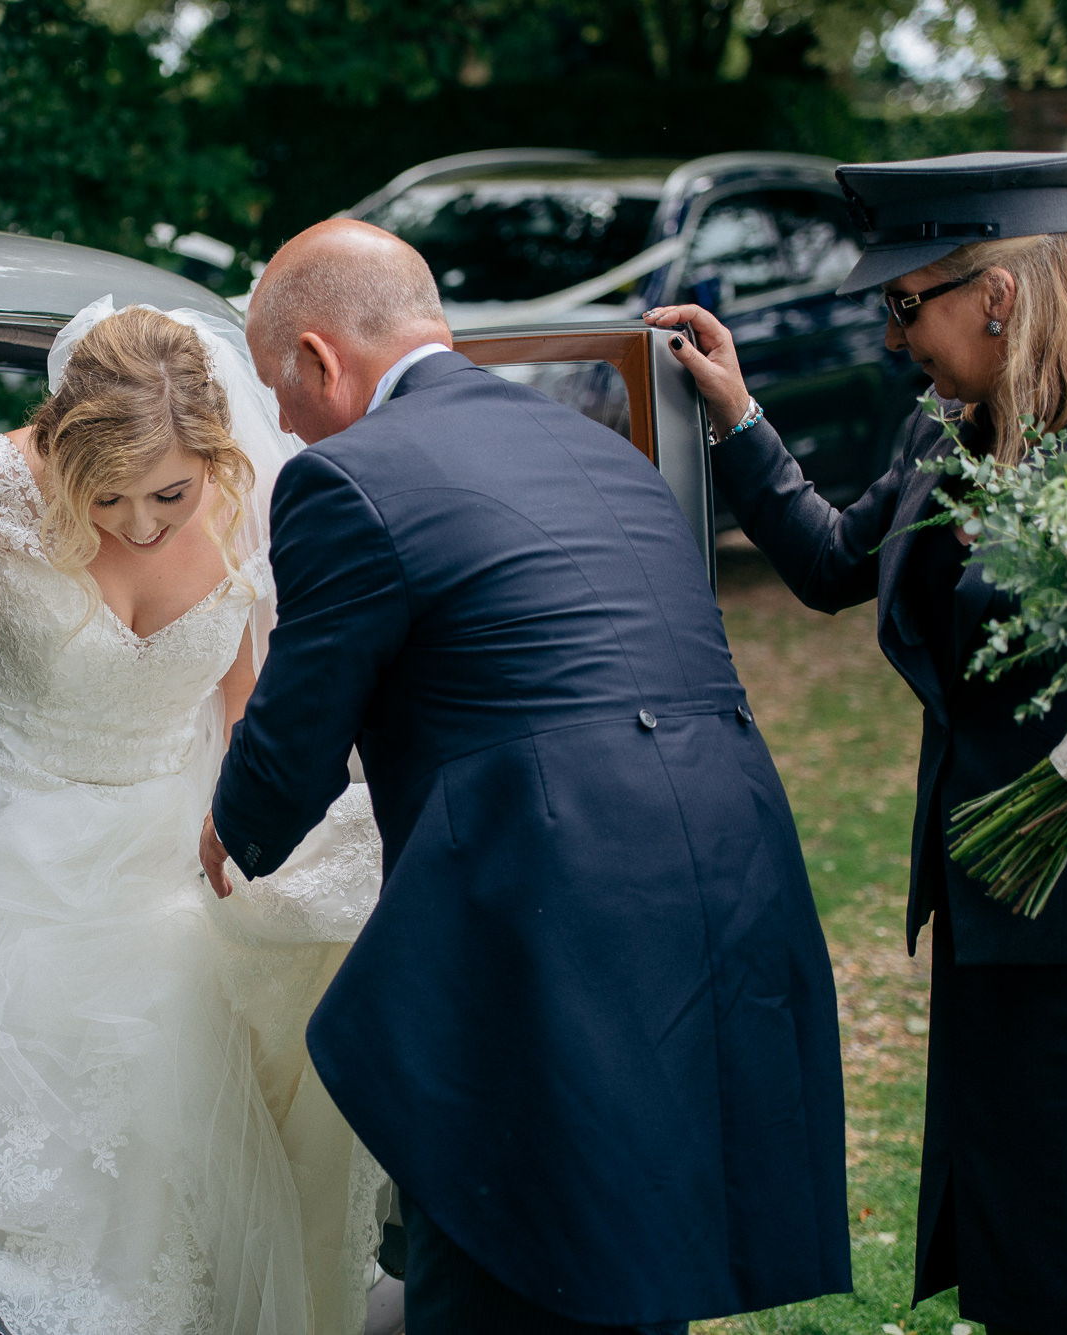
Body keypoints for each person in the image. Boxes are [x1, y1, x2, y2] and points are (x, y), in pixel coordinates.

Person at [199, 219, 854, 1334]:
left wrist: (230, 831)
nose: (283, 423)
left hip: (547, 895)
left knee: (490, 1245)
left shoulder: (343, 479)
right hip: (722, 867)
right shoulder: (597, 448)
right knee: (640, 1224)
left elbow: (300, 721)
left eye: (277, 389)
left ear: (316, 357)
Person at [645, 149, 1067, 1335]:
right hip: (985, 898)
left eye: (900, 302)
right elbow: (827, 564)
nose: (885, 336)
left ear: (998, 294)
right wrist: (735, 414)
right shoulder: (950, 426)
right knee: (1015, 1223)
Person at [0, 299, 389, 1335]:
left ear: (215, 454)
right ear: (60, 452)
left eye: (169, 493)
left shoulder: (247, 502)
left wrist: (269, 849)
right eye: (109, 498)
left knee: (193, 1022)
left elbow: (248, 714)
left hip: (160, 839)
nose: (138, 525)